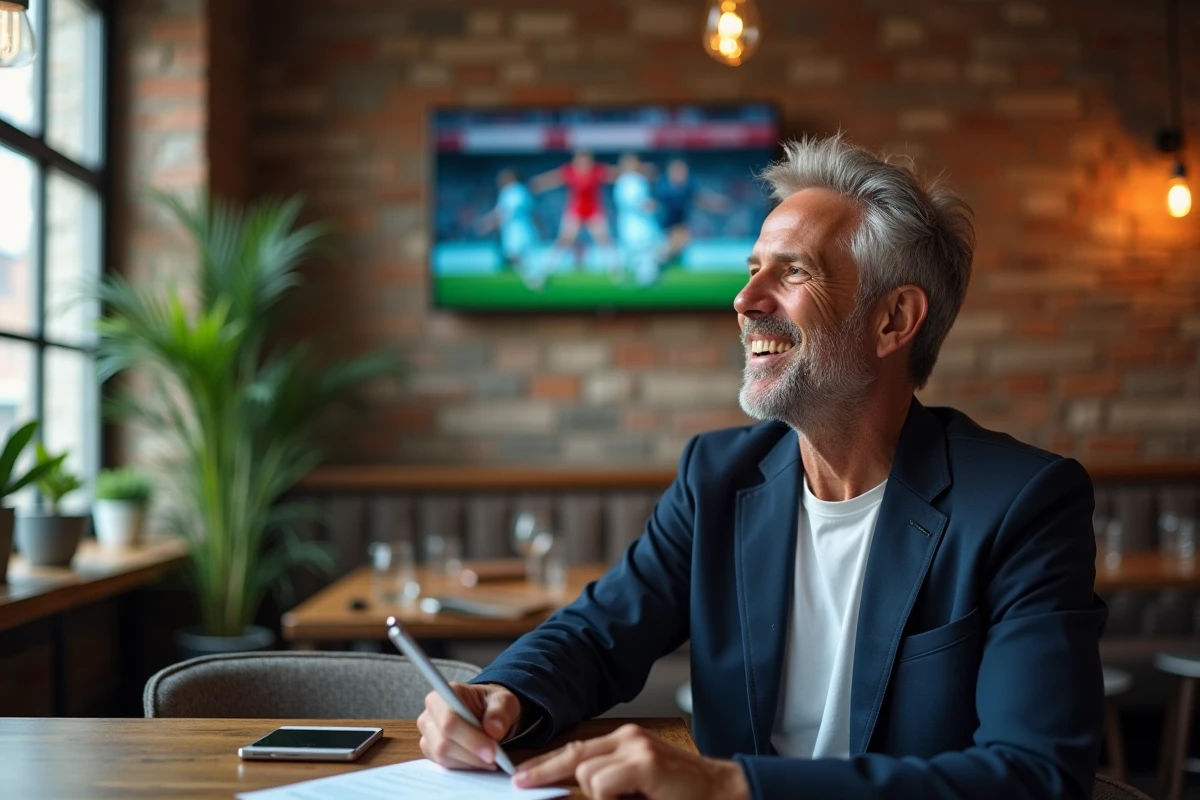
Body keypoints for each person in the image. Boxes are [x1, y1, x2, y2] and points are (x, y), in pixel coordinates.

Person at [417, 134, 1106, 800]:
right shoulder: (717, 477)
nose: (745, 302)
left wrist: (733, 787)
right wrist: (501, 696)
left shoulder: (1022, 504)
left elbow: (1034, 775)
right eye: (753, 269)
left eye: (794, 270)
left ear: (894, 320)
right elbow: (598, 635)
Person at [531, 150, 618, 277]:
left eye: (586, 161)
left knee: (604, 240)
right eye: (580, 161)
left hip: (594, 212)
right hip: (575, 212)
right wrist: (539, 183)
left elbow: (615, 173)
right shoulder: (570, 171)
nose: (583, 163)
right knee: (563, 241)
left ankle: (615, 271)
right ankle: (548, 269)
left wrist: (639, 170)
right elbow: (554, 178)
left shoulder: (597, 171)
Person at [657, 157, 732, 265]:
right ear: (670, 171)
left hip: (680, 223)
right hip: (663, 224)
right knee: (679, 238)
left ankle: (661, 261)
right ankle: (659, 260)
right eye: (678, 170)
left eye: (683, 170)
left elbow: (701, 199)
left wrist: (718, 204)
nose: (681, 173)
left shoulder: (688, 185)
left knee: (682, 239)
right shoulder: (663, 186)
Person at [476, 169, 543, 290]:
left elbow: (506, 212)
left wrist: (488, 224)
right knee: (515, 257)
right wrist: (487, 221)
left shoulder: (516, 191)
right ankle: (533, 278)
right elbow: (500, 211)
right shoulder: (509, 192)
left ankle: (536, 277)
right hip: (512, 230)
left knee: (518, 255)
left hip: (519, 230)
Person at [611, 153, 664, 286]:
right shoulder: (626, 181)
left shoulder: (638, 179)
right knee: (640, 252)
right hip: (633, 225)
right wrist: (647, 205)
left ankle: (645, 278)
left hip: (642, 224)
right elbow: (631, 202)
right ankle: (640, 277)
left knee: (647, 252)